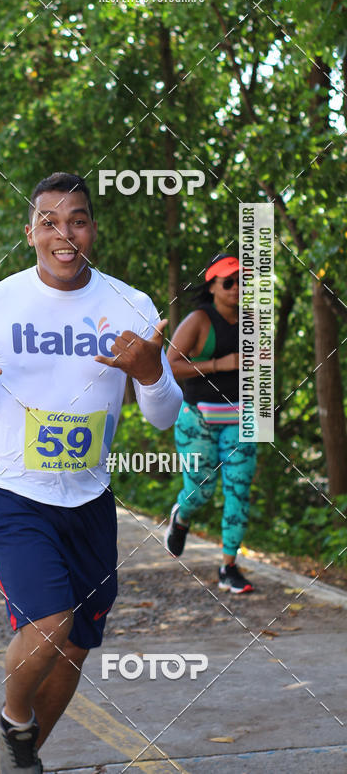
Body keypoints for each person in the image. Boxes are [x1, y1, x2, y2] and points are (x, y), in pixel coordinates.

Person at [0, 173, 182, 774]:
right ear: (31, 233)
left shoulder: (131, 305)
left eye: (77, 220)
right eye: (49, 222)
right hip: (15, 490)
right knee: (49, 624)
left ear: (92, 229)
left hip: (90, 498)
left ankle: (18, 759)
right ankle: (14, 722)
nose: (63, 234)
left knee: (73, 648)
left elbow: (163, 416)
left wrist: (151, 374)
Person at [164, 253, 257, 594]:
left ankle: (228, 567)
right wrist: (221, 364)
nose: (236, 288)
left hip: (241, 418)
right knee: (201, 491)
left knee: (239, 491)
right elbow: (170, 365)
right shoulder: (199, 320)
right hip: (198, 419)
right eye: (228, 282)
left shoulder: (252, 321)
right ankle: (182, 516)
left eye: (242, 281)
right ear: (213, 286)